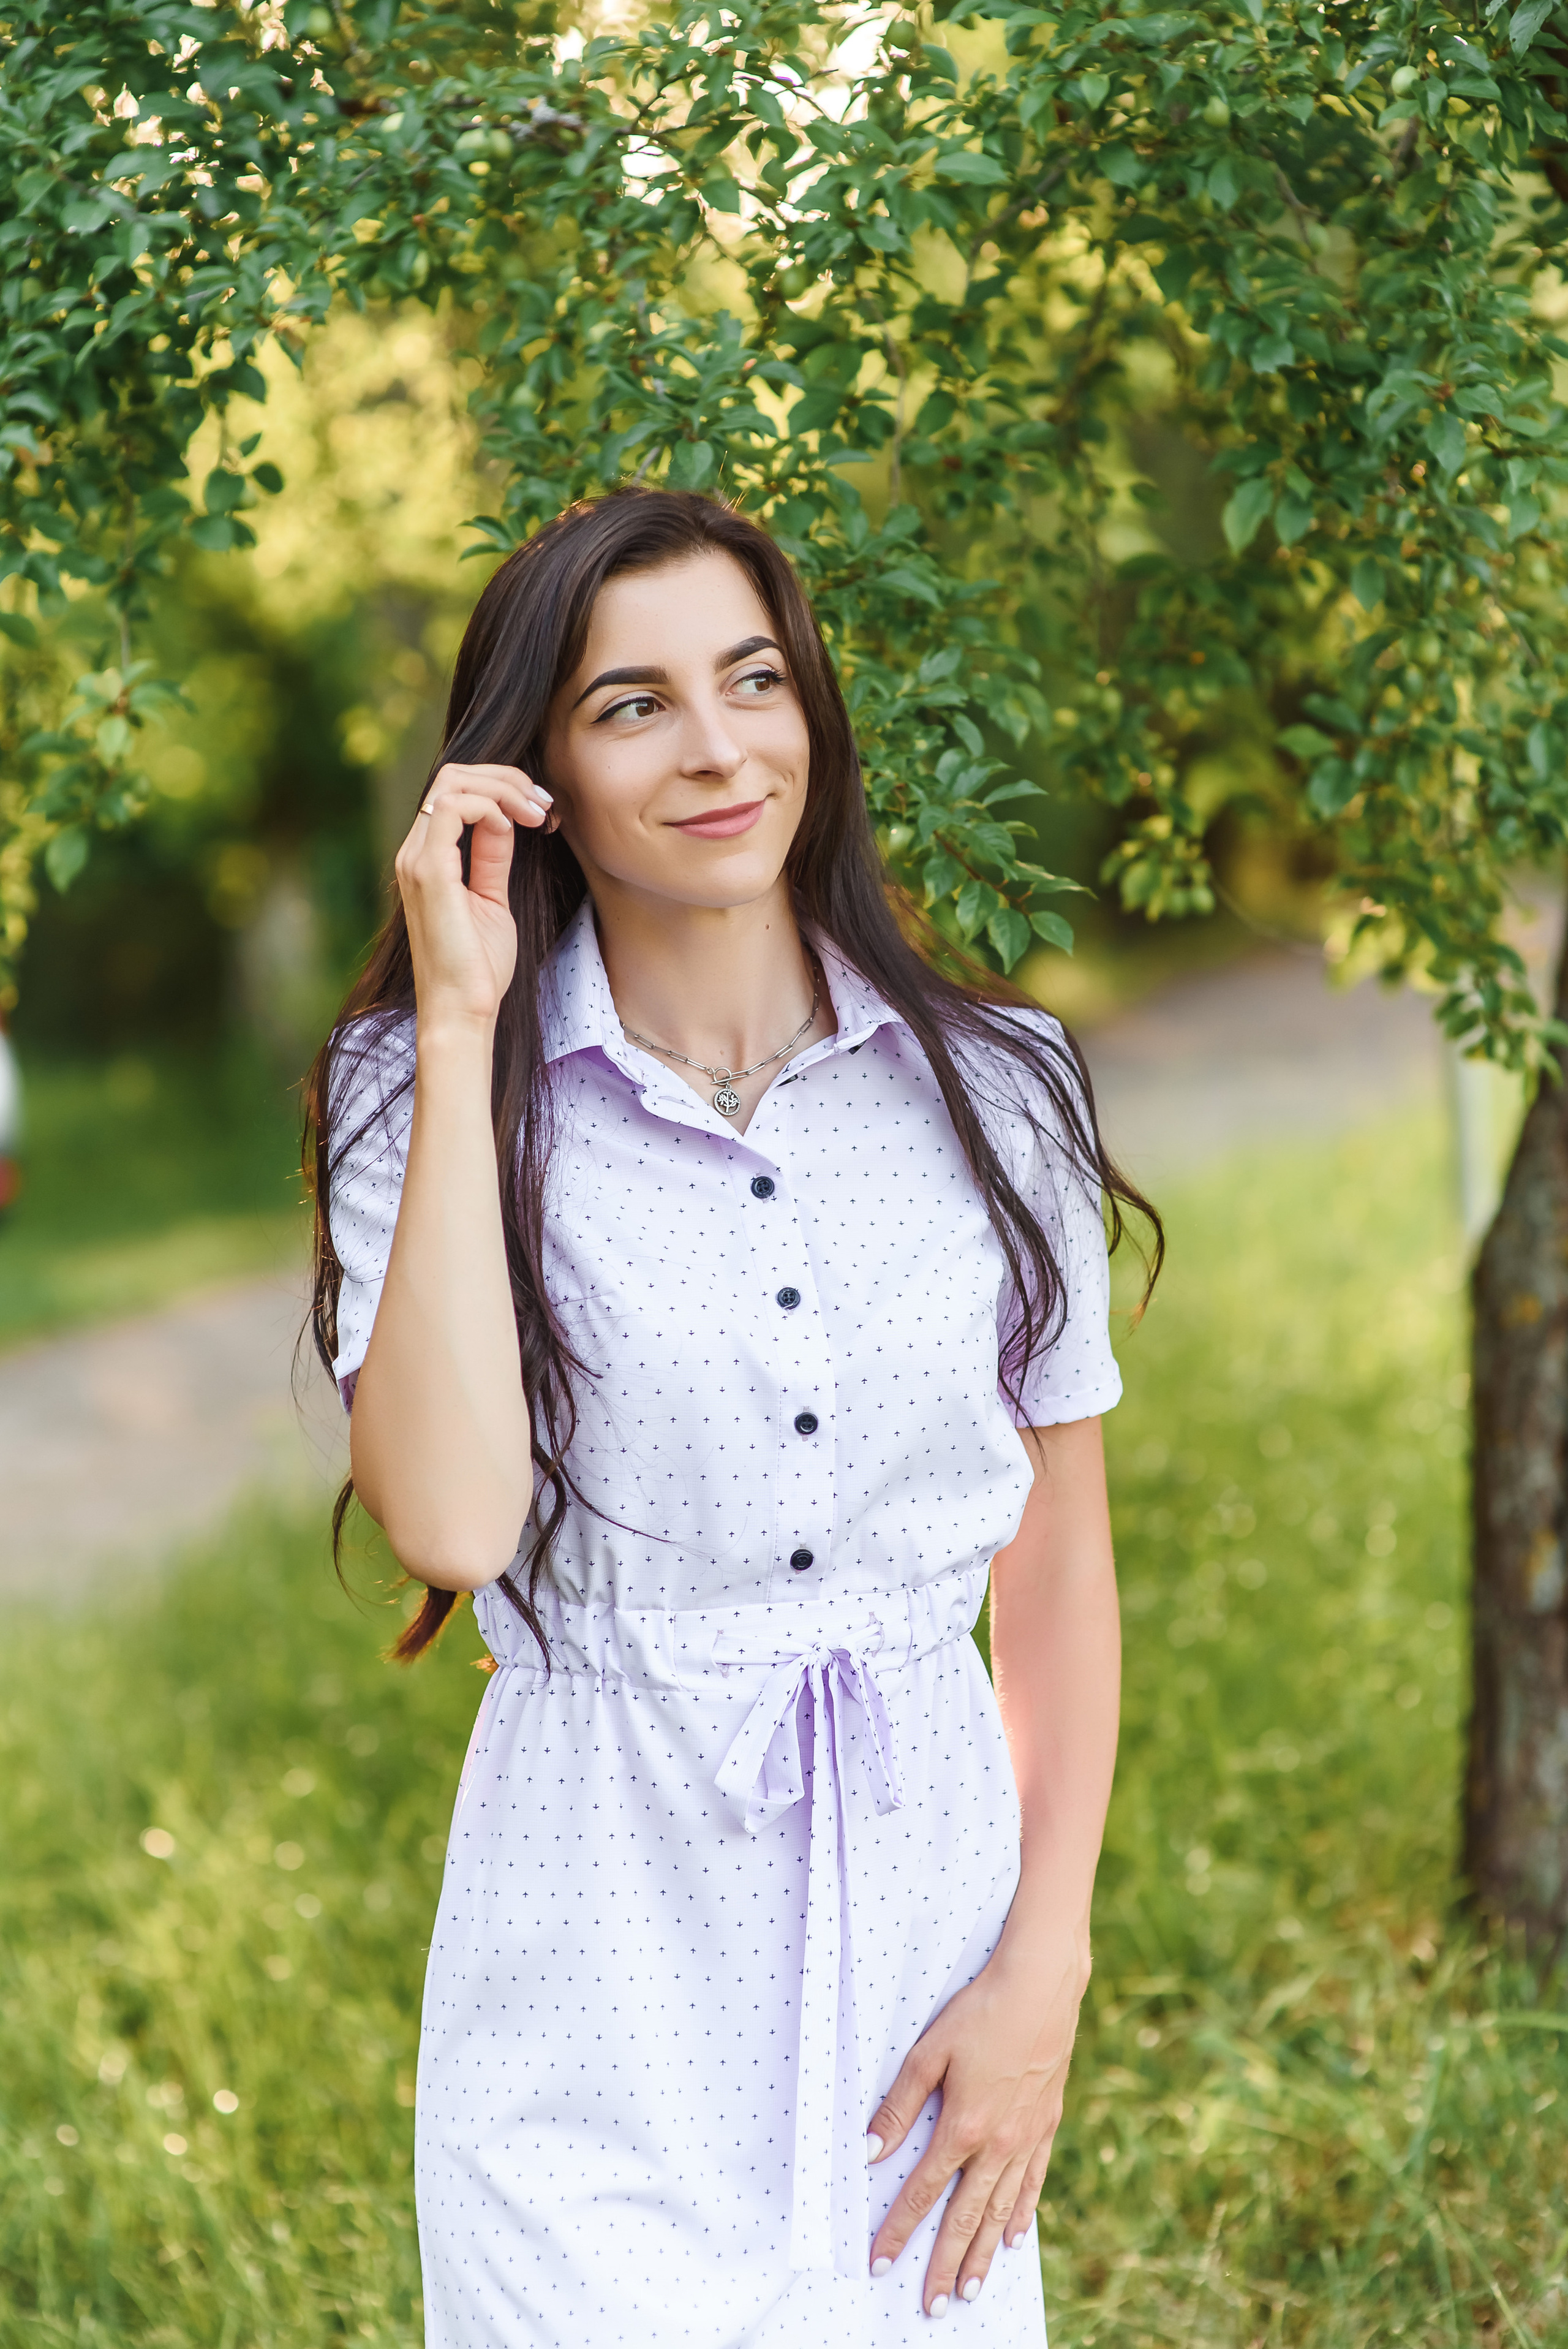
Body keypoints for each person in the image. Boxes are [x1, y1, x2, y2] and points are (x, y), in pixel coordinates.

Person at [304, 488, 1158, 2346]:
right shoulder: (424, 1096)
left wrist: (1046, 1971)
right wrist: (462, 1030)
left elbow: (1062, 1571)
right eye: (633, 704)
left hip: (920, 1987)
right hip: (590, 1979)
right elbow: (451, 1522)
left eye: (753, 680)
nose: (716, 747)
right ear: (529, 770)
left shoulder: (1004, 1091)